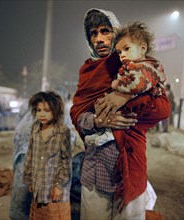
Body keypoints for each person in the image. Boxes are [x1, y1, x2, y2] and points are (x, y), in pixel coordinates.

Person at [70, 8, 171, 220]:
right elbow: (77, 113)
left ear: (116, 33)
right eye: (93, 33)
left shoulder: (137, 67)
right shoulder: (87, 71)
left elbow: (162, 108)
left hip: (127, 167)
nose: (99, 39)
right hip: (93, 170)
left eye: (105, 31)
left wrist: (123, 99)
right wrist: (98, 120)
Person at [85, 20, 167, 147]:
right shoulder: (128, 66)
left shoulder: (145, 67)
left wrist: (117, 86)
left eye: (126, 49)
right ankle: (105, 132)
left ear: (142, 48)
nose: (122, 55)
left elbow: (136, 85)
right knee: (104, 104)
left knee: (123, 111)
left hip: (141, 104)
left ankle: (109, 135)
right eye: (119, 52)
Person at [23, 91, 72, 220]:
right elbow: (30, 154)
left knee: (55, 215)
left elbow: (66, 161)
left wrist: (59, 186)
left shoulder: (62, 131)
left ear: (56, 111)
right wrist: (30, 179)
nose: (42, 114)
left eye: (47, 110)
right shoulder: (35, 128)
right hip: (39, 185)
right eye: (38, 110)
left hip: (54, 187)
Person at [10, 101, 33, 220]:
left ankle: (16, 210)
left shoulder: (36, 100)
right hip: (30, 139)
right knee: (24, 179)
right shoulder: (58, 104)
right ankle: (18, 213)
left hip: (21, 135)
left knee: (20, 173)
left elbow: (20, 116)